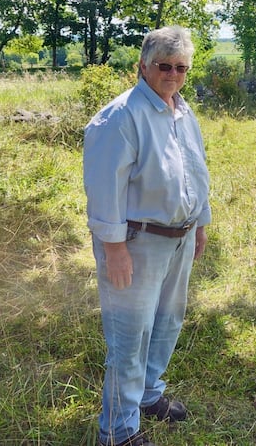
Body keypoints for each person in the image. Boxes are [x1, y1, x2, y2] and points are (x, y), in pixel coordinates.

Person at [83, 26, 211, 446]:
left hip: (179, 238)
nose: (173, 74)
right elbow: (105, 189)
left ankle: (149, 394)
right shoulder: (120, 117)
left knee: (167, 323)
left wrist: (201, 222)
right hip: (136, 244)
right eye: (164, 66)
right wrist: (114, 249)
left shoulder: (182, 112)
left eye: (181, 67)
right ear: (142, 66)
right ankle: (117, 433)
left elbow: (195, 171)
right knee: (130, 336)